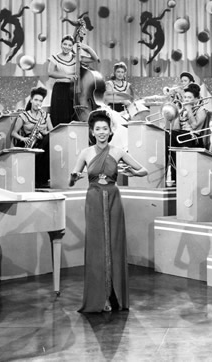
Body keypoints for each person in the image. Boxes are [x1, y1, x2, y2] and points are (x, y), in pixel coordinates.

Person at [70, 110, 147, 313]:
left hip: (113, 198)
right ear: (92, 131)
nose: (102, 132)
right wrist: (74, 177)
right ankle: (99, 298)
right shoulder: (85, 153)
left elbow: (144, 170)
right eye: (98, 129)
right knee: (97, 247)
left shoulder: (118, 151)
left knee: (114, 245)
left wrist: (132, 172)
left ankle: (115, 297)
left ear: (110, 130)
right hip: (94, 199)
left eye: (105, 128)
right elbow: (71, 179)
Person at [47, 35, 99, 126]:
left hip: (73, 89)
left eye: (69, 45)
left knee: (71, 113)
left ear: (72, 47)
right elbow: (50, 73)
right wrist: (67, 76)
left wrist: (86, 47)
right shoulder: (54, 57)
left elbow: (95, 59)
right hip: (59, 89)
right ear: (61, 44)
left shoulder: (76, 57)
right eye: (65, 44)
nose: (66, 47)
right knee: (59, 114)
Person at [11, 87, 53, 188]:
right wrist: (23, 139)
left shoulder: (45, 116)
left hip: (43, 140)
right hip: (28, 141)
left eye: (40, 101)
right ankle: (37, 180)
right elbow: (13, 133)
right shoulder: (24, 115)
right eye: (36, 100)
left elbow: (52, 131)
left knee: (50, 140)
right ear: (31, 100)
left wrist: (44, 132)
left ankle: (42, 179)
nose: (38, 103)